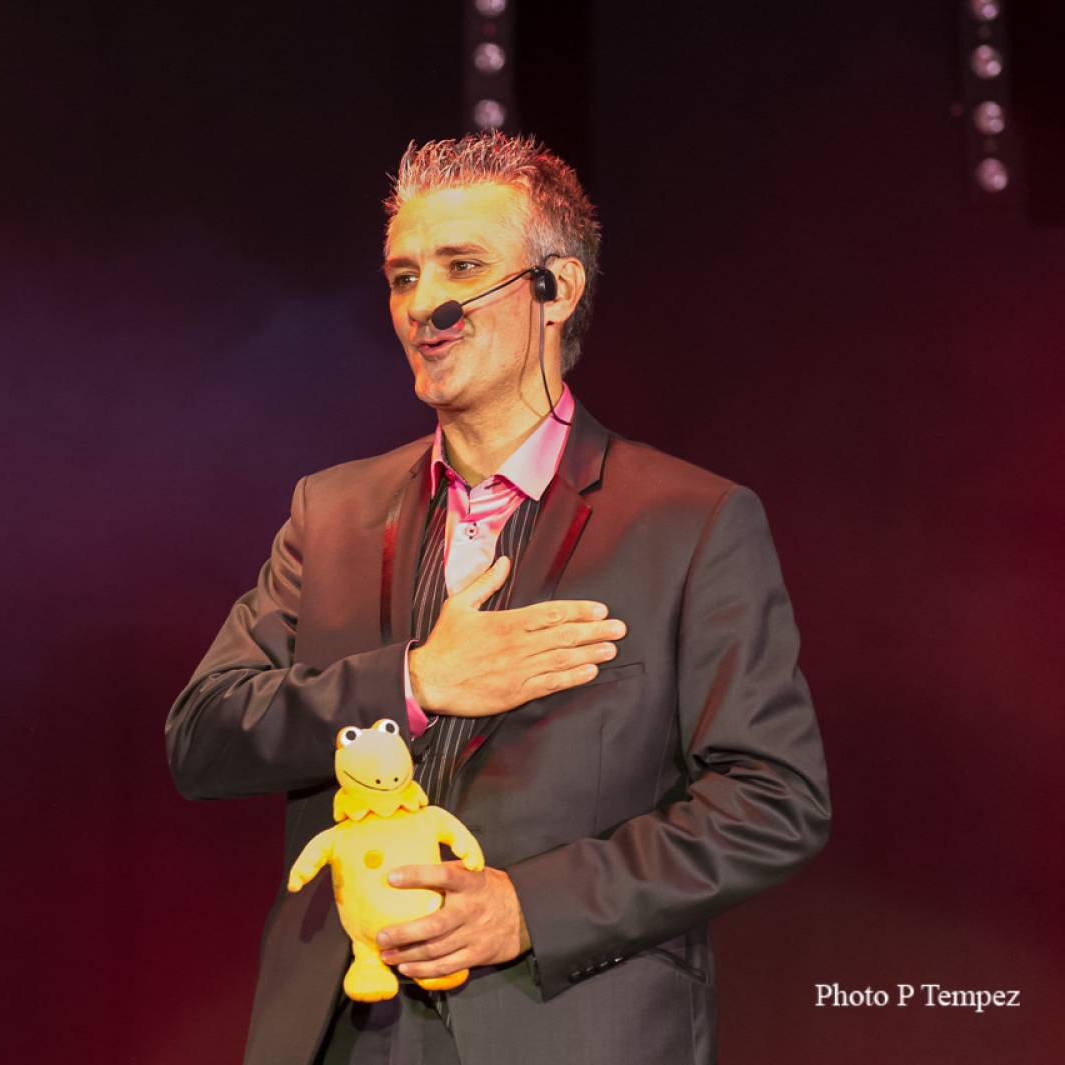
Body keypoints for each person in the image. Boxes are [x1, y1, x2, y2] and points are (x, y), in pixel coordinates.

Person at [165, 131, 830, 1065]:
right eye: (402, 277)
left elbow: (772, 798)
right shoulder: (333, 512)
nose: (422, 304)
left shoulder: (691, 522)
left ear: (557, 288)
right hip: (345, 1036)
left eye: (463, 267)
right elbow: (203, 735)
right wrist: (414, 681)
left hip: (571, 1033)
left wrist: (528, 908)